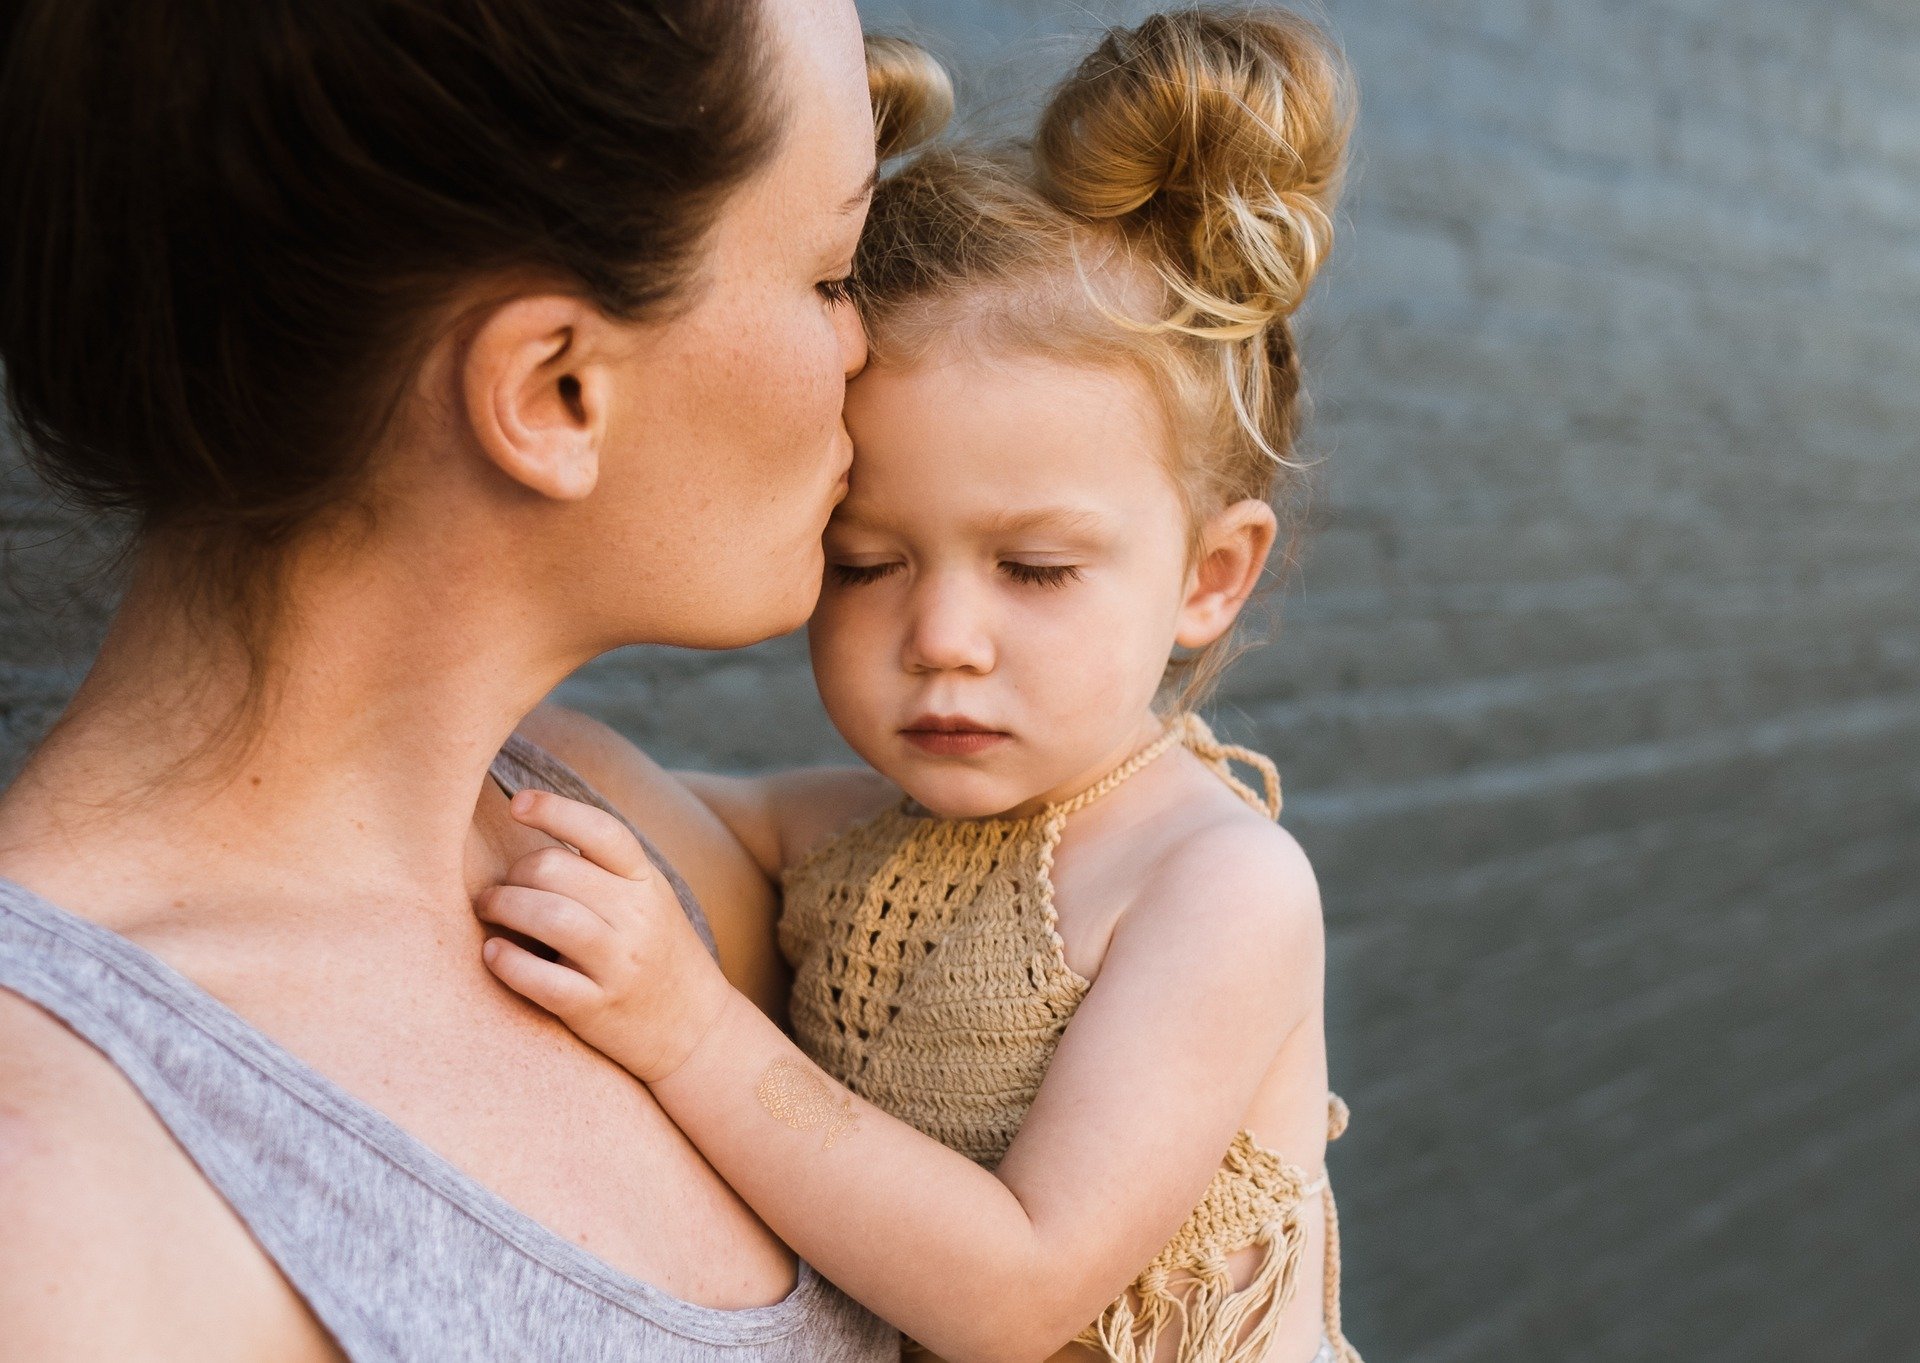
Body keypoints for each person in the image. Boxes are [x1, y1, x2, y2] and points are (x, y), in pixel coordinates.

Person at [0, 0, 921, 1357]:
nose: (868, 349)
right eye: (834, 274)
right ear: (554, 391)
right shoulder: (64, 1192)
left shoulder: (614, 838)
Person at [472, 10, 1364, 1363]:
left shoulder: (1213, 886)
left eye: (1037, 569)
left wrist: (692, 1031)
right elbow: (577, 780)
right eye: (867, 560)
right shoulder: (844, 839)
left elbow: (1019, 1291)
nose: (943, 634)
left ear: (1210, 575)